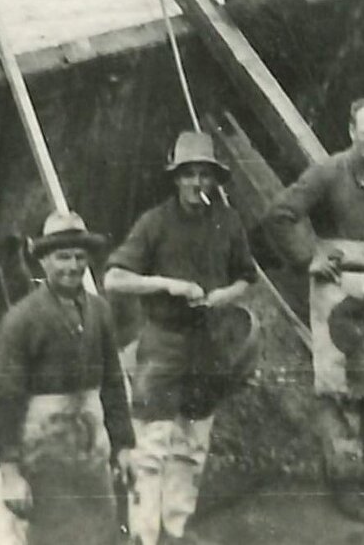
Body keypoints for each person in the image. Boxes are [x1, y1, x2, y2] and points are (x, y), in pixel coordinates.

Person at [103, 130, 261, 545]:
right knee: (152, 446)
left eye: (204, 175)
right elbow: (115, 278)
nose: (196, 184)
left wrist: (226, 295)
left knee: (191, 445)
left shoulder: (227, 222)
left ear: (214, 179)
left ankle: (175, 529)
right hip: (164, 345)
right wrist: (166, 285)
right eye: (188, 175)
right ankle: (143, 536)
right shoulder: (154, 223)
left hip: (209, 346)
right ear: (175, 178)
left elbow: (247, 275)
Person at [264, 98, 364, 506]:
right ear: (352, 131)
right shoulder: (329, 172)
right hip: (337, 291)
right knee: (336, 385)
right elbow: (281, 213)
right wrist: (308, 258)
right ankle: (341, 471)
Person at [0, 210, 134, 545]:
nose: (71, 266)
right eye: (62, 257)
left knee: (97, 532)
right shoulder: (21, 320)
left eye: (79, 257)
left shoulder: (100, 311)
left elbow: (113, 382)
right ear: (44, 262)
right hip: (40, 449)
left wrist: (123, 445)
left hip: (88, 450)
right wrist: (10, 472)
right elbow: (5, 396)